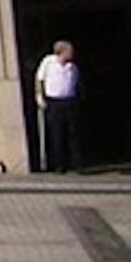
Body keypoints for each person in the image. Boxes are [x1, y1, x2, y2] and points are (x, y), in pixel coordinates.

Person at [35, 40, 80, 173]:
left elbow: (76, 81)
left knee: (73, 134)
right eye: (69, 51)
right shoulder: (48, 62)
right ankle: (59, 165)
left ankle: (76, 163)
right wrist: (39, 96)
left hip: (69, 100)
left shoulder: (72, 66)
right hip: (54, 102)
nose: (72, 54)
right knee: (56, 134)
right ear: (62, 52)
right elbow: (40, 79)